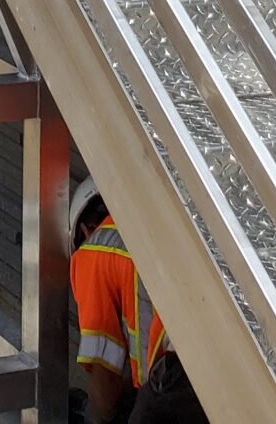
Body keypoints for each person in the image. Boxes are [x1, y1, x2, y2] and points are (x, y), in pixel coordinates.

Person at [70, 178, 208, 424]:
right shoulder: (151, 226)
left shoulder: (93, 252)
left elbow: (105, 388)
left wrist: (91, 418)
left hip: (180, 369)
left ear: (85, 230)